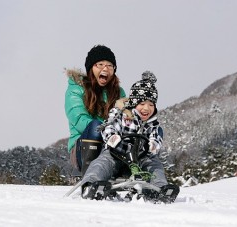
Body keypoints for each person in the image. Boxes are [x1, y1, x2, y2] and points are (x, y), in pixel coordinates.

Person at [81, 71, 168, 199]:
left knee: (154, 165)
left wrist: (153, 145)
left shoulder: (152, 123)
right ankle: (91, 184)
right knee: (102, 163)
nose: (146, 108)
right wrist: (113, 138)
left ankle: (159, 188)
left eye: (151, 105)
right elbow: (108, 126)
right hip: (116, 153)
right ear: (133, 103)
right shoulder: (122, 114)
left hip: (140, 157)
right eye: (142, 104)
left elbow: (155, 137)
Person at [65, 45, 126, 176]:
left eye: (110, 66)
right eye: (100, 64)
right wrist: (108, 131)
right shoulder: (76, 89)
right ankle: (91, 176)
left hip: (112, 145)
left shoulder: (118, 92)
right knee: (95, 126)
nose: (105, 69)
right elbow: (79, 119)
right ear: (91, 68)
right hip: (83, 147)